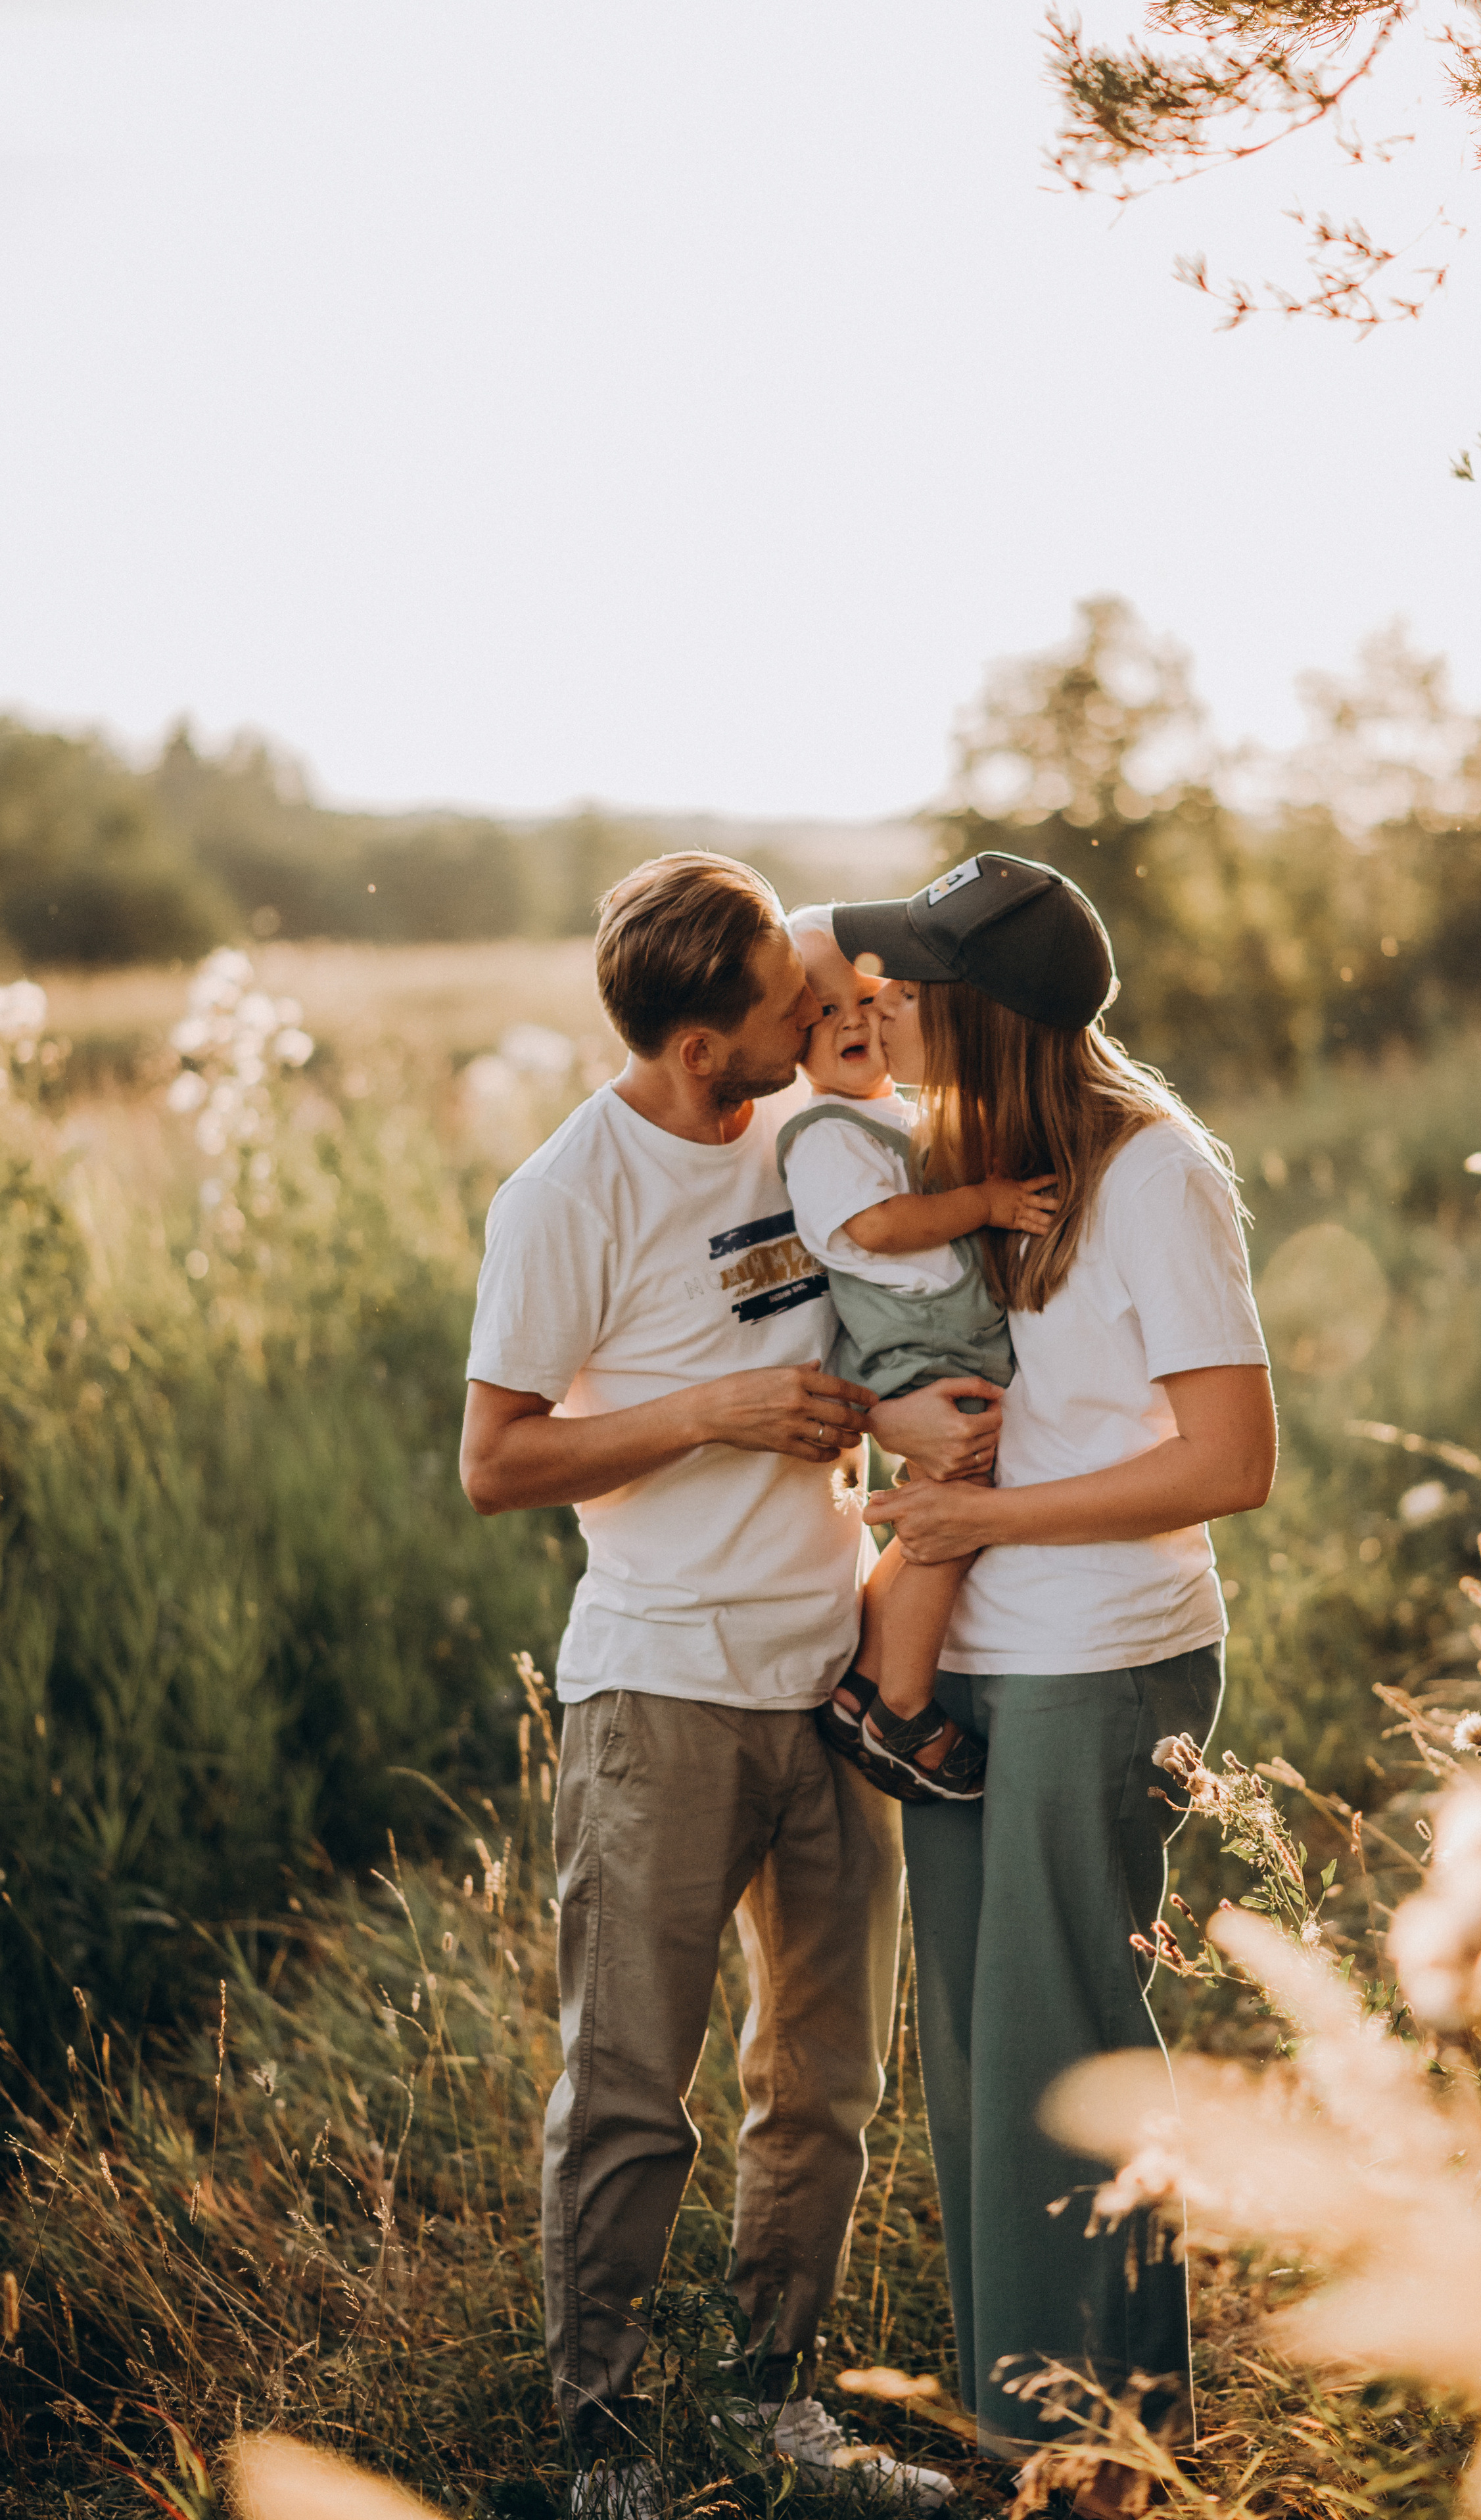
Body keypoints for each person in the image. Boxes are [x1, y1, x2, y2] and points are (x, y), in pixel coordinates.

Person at [459, 852, 996, 2515]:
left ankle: (771, 2405)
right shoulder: (566, 1195)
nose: (813, 1014)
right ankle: (604, 2441)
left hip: (833, 1672)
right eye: (783, 1007)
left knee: (822, 2079)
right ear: (703, 1048)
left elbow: (843, 1315)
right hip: (662, 1691)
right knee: (631, 2084)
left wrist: (873, 1411)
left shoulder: (800, 1129)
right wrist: (712, 1413)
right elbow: (495, 1462)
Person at [832, 852, 1276, 2515]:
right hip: (983, 1660)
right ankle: (1097, 2438)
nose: (881, 998)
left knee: (1048, 2049)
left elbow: (1232, 1461)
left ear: (988, 1009)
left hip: (1102, 1659)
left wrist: (984, 1515)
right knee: (982, 2056)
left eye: (913, 977)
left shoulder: (1156, 1174)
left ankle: (1061, 2464)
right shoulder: (982, 1163)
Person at [777, 905, 1055, 1803]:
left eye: (866, 998)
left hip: (947, 1340)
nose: (852, 1020)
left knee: (938, 1513)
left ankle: (862, 1676)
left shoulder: (895, 1114)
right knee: (953, 1517)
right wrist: (988, 1201)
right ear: (790, 1036)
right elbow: (881, 1225)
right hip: (918, 1353)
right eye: (822, 1012)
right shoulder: (820, 1136)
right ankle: (903, 1703)